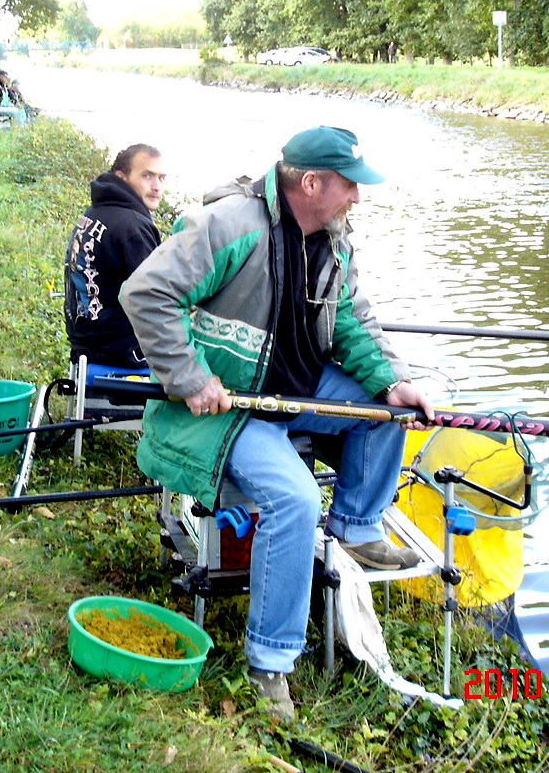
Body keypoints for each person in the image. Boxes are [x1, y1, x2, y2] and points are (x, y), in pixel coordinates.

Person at [121, 125, 435, 721]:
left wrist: (394, 380)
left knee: (386, 409)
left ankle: (358, 527)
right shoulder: (230, 225)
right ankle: (271, 662)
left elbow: (352, 320)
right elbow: (147, 293)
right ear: (311, 182)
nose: (357, 198)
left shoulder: (334, 239)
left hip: (294, 387)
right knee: (293, 499)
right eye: (349, 185)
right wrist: (190, 378)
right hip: (228, 408)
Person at [65, 144, 167, 371]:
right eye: (147, 176)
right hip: (121, 352)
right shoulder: (131, 227)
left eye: (161, 178)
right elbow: (156, 299)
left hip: (86, 343)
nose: (157, 186)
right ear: (122, 176)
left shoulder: (96, 212)